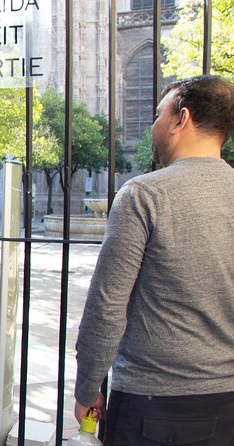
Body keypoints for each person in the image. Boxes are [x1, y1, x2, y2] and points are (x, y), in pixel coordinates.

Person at [74, 74, 234, 445]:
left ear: (182, 119)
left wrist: (88, 387)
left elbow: (107, 306)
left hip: (154, 404)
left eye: (159, 115)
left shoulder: (145, 194)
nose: (154, 126)